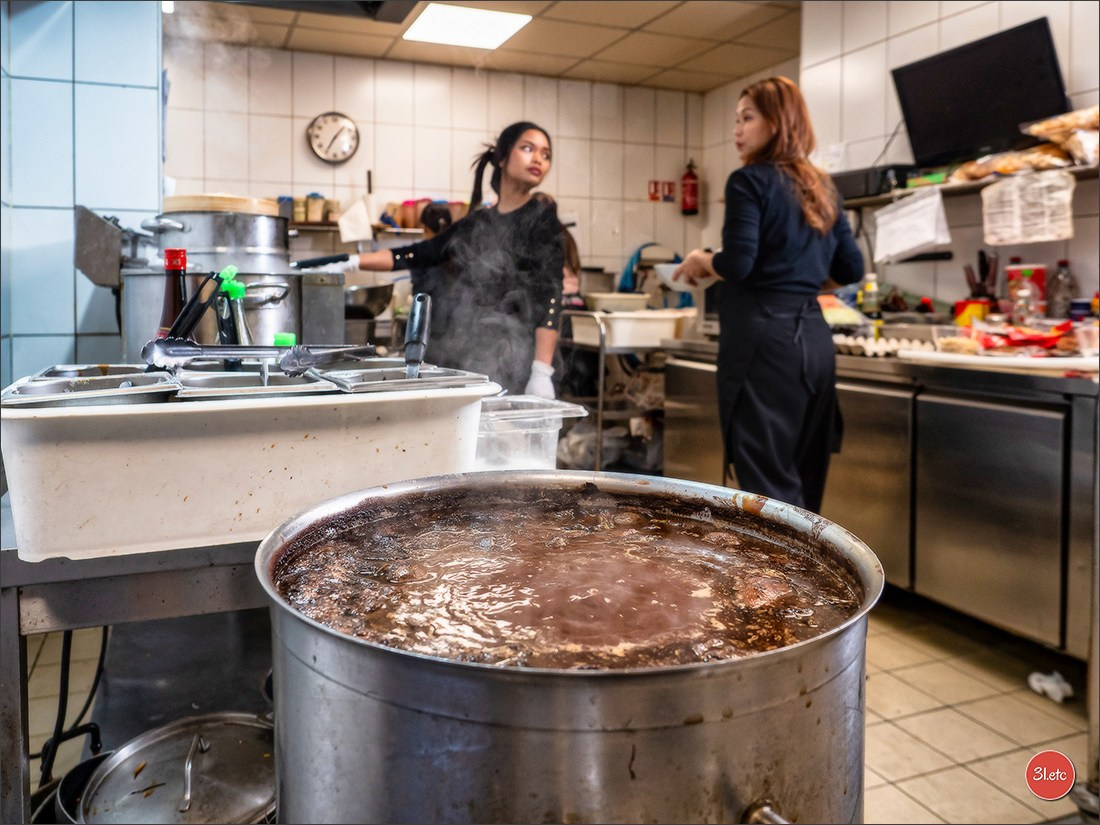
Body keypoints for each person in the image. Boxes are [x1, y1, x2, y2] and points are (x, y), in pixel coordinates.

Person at [674, 76, 864, 513]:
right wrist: (797, 279)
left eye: (747, 118)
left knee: (770, 489)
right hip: (814, 340)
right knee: (806, 485)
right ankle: (808, 559)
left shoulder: (749, 181)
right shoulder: (822, 186)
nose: (737, 130)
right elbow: (850, 270)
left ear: (777, 122)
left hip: (764, 347)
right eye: (736, 120)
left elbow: (738, 263)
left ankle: (779, 563)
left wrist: (703, 258)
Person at [349, 122, 563, 398]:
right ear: (502, 157)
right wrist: (351, 261)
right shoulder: (478, 222)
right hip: (473, 354)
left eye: (546, 154)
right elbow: (421, 253)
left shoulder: (543, 220)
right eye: (527, 148)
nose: (538, 159)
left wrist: (542, 371)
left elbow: (550, 295)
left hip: (519, 359)